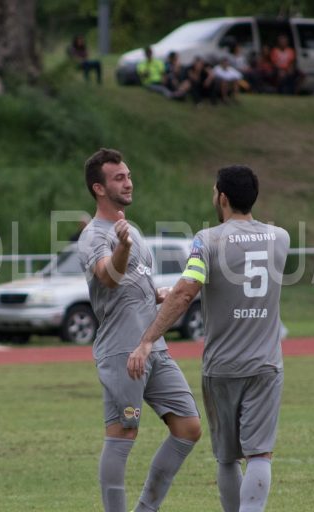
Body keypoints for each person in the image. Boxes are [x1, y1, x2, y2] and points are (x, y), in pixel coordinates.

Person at [128, 165, 290, 512]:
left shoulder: (208, 240)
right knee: (260, 453)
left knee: (228, 457)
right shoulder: (281, 237)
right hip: (265, 364)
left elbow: (187, 291)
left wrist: (147, 339)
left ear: (223, 197)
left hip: (222, 366)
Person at [77, 148, 201, 511]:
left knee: (189, 428)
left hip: (153, 347)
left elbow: (132, 285)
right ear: (99, 188)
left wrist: (156, 296)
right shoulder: (96, 235)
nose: (128, 182)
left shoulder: (132, 231)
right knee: (123, 433)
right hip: (121, 351)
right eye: (119, 177)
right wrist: (123, 249)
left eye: (128, 175)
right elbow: (108, 277)